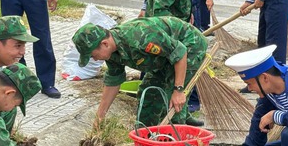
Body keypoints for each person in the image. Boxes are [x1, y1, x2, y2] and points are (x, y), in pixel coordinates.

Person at [72, 17, 207, 128]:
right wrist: (100, 117)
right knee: (148, 93)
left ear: (105, 43)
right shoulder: (111, 53)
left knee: (172, 100)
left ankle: (176, 143)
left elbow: (180, 52)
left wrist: (178, 90)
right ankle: (145, 137)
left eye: (93, 55)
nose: (94, 59)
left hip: (189, 46)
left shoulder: (141, 36)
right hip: (163, 57)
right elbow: (113, 82)